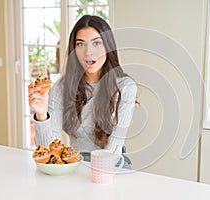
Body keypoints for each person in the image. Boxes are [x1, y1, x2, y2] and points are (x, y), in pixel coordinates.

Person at [28, 15, 137, 169]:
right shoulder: (61, 87)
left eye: (97, 43)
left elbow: (113, 150)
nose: (88, 53)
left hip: (112, 163)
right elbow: (50, 150)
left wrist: (92, 178)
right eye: (80, 44)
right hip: (75, 162)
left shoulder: (125, 87)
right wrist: (41, 114)